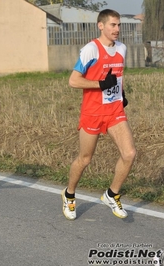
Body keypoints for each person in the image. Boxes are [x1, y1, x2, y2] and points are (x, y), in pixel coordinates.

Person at [61, 9, 136, 220]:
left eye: (119, 25)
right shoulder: (90, 50)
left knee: (129, 153)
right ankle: (69, 195)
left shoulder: (122, 48)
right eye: (113, 25)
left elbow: (118, 77)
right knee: (85, 159)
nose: (117, 29)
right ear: (101, 26)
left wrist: (121, 93)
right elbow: (73, 80)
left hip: (114, 111)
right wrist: (100, 84)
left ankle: (111, 194)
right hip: (92, 112)